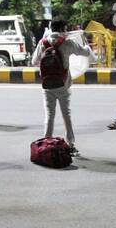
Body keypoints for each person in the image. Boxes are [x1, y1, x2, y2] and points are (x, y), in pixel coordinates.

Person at [31, 19, 93, 155]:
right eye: (65, 29)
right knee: (66, 115)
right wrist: (85, 41)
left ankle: (46, 145)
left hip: (47, 85)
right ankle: (71, 144)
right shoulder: (67, 43)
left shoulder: (43, 42)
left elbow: (34, 61)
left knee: (49, 115)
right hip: (63, 85)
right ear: (62, 29)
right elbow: (86, 53)